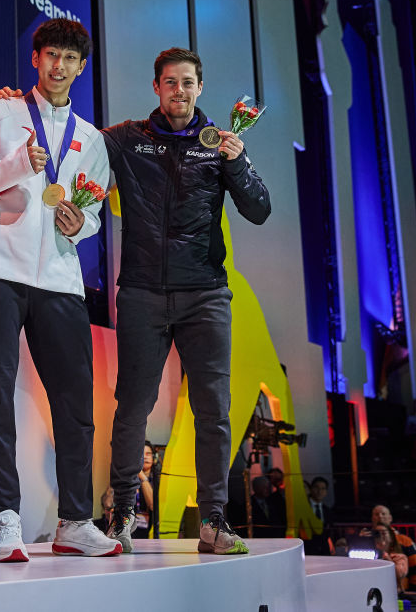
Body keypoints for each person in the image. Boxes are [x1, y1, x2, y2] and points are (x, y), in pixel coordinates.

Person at [0, 17, 119, 562]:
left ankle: (76, 520)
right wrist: (13, 165)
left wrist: (83, 224)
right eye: (52, 55)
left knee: (75, 405)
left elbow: (94, 208)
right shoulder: (0, 112)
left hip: (59, 279)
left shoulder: (91, 138)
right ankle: (4, 517)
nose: (59, 67)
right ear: (36, 58)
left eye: (71, 60)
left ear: (80, 67)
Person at [100, 47, 271, 556]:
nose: (179, 90)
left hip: (205, 296)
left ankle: (214, 520)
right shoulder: (127, 140)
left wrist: (237, 164)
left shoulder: (220, 144)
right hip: (142, 294)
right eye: (170, 82)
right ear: (156, 87)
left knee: (213, 410)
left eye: (188, 83)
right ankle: (124, 515)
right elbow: (69, 139)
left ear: (200, 88)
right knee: (132, 407)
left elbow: (260, 210)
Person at [369, 504, 416, 589]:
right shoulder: (366, 541)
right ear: (372, 518)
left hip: (400, 589)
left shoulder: (405, 541)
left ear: (390, 518)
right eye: (376, 514)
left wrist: (414, 588)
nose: (380, 516)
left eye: (383, 514)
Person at [373, 525, 409, 593]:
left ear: (391, 538)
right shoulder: (368, 555)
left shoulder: (400, 557)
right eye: (377, 533)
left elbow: (399, 574)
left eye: (383, 533)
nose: (380, 536)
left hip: (394, 593)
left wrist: (385, 555)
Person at [303, 476, 333, 555]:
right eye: (316, 487)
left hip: (324, 551)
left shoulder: (328, 510)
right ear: (311, 489)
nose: (319, 491)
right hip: (306, 550)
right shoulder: (303, 507)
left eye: (323, 489)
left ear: (326, 492)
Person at [132, 441, 156, 538]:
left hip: (151, 532)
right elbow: (108, 503)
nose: (145, 457)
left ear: (154, 458)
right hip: (131, 531)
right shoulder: (130, 479)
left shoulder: (158, 479)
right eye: (141, 454)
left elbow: (153, 505)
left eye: (148, 454)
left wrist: (141, 475)